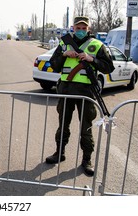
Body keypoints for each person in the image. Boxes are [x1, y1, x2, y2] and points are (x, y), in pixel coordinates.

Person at [46, 16, 114, 176]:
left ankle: (86, 160)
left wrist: (91, 59)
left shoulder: (97, 45)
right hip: (66, 91)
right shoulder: (64, 43)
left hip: (87, 93)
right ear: (73, 28)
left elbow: (108, 67)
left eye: (84, 28)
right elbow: (53, 65)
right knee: (63, 125)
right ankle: (59, 153)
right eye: (78, 28)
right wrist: (64, 55)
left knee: (86, 128)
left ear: (89, 29)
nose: (81, 30)